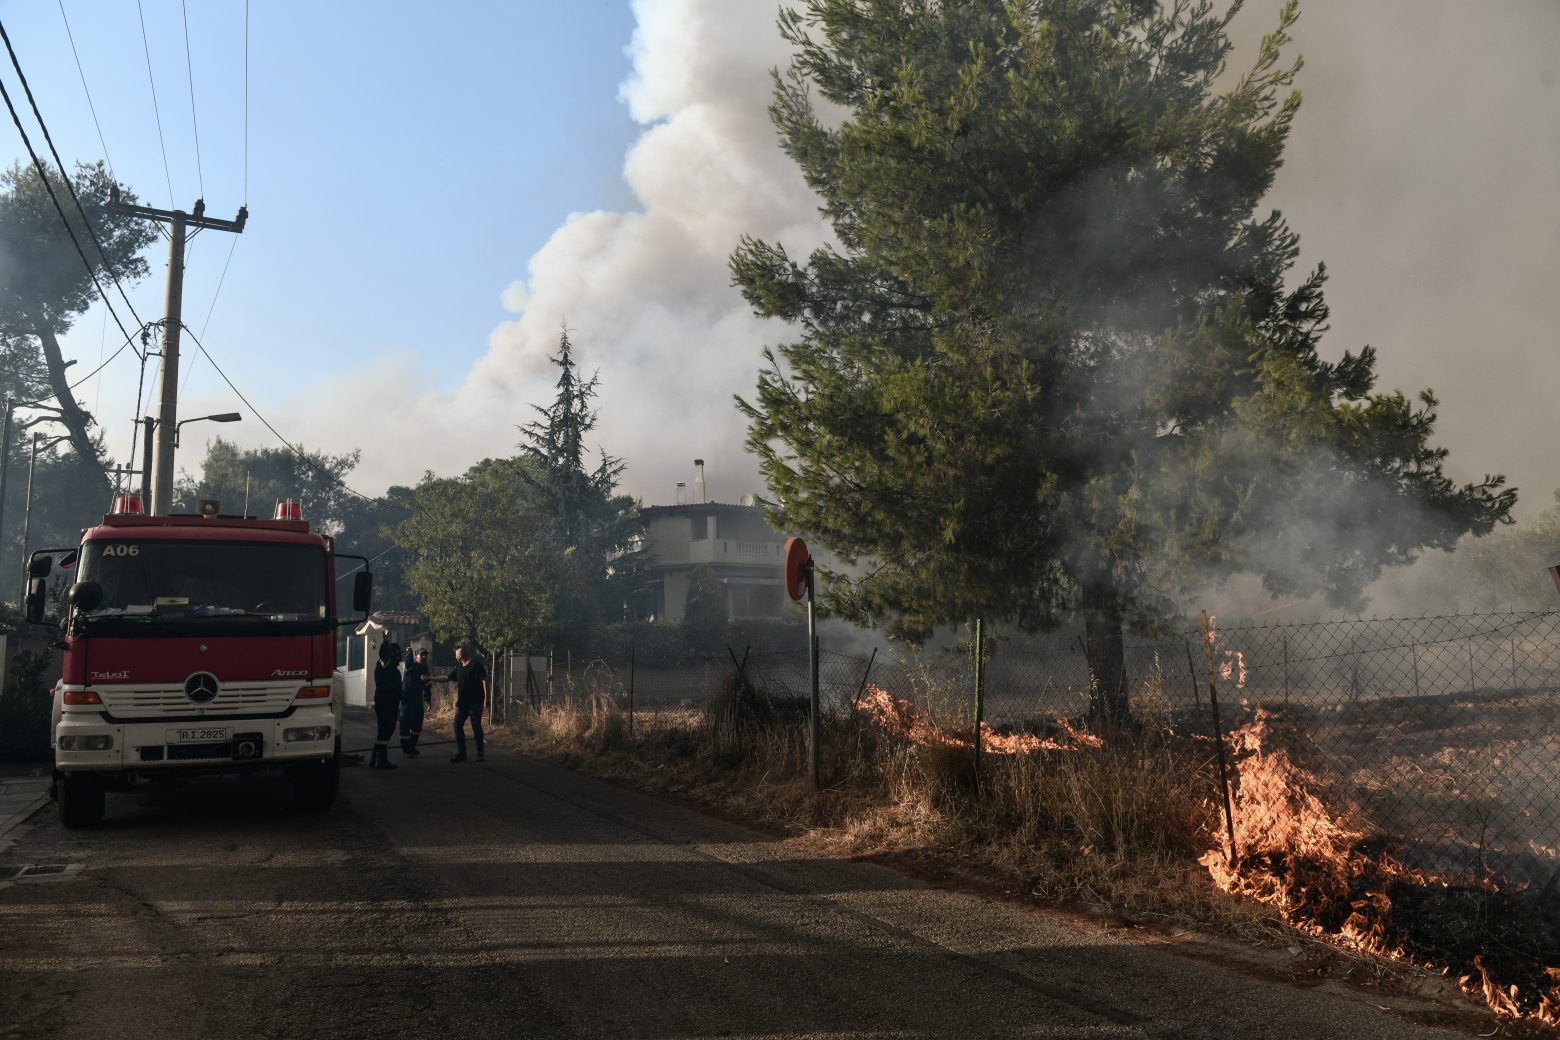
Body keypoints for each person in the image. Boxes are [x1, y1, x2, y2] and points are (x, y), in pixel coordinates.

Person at [445, 645, 488, 763]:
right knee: (457, 725)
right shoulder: (459, 667)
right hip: (462, 703)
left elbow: (485, 680)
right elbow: (447, 678)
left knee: (476, 727)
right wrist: (430, 678)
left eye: (456, 655)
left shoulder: (476, 665)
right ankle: (462, 753)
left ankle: (480, 754)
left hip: (475, 703)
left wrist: (486, 699)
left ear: (460, 655)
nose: (455, 657)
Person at [370, 640, 402, 770]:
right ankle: (381, 761)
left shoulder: (388, 667)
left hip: (388, 704)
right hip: (387, 704)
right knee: (385, 732)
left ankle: (375, 758)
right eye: (397, 653)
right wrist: (385, 643)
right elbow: (383, 655)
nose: (399, 656)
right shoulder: (385, 667)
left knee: (383, 732)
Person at [399, 647, 432, 756]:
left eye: (425, 655)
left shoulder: (425, 668)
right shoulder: (411, 666)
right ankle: (406, 748)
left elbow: (427, 685)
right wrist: (409, 653)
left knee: (417, 725)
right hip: (406, 700)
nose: (424, 656)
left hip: (418, 700)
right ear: (416, 656)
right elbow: (408, 663)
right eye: (421, 654)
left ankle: (412, 746)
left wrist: (428, 700)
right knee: (405, 725)